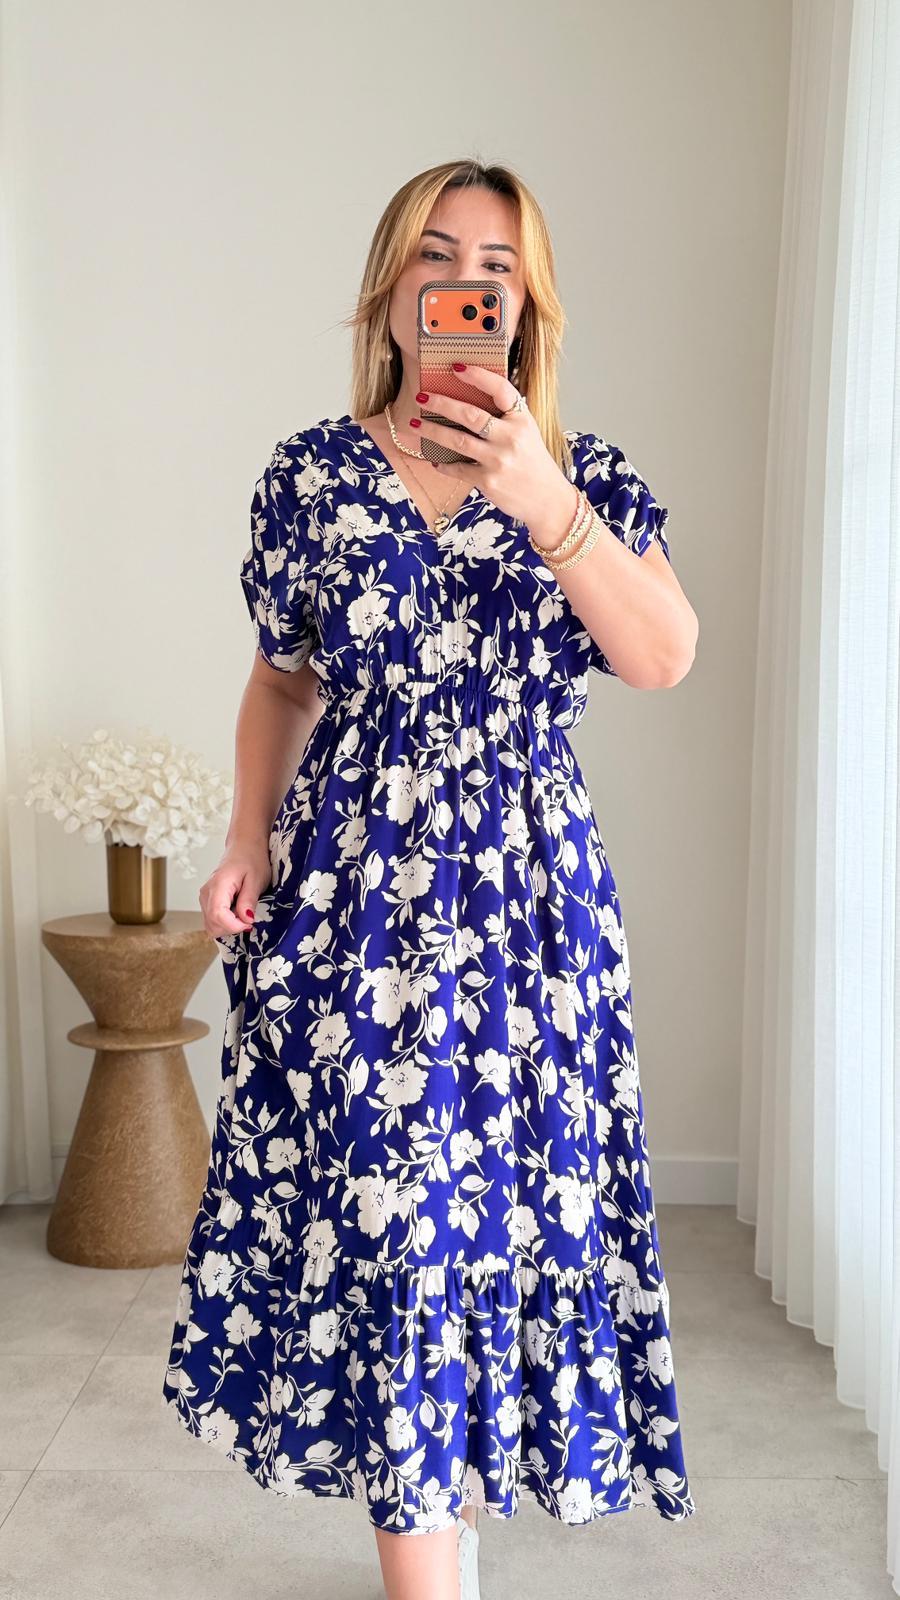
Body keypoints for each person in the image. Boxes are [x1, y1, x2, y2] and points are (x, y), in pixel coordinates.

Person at [161, 157, 699, 1600]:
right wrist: (245, 836)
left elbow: (662, 654)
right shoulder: (309, 479)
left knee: (505, 1219)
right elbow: (283, 681)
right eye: (436, 257)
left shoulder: (582, 477)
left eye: (497, 269)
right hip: (355, 907)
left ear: (526, 310)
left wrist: (540, 497)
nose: (466, 286)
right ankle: (429, 1567)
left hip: (529, 918)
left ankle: (452, 1529)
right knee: (393, 1228)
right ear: (389, 290)